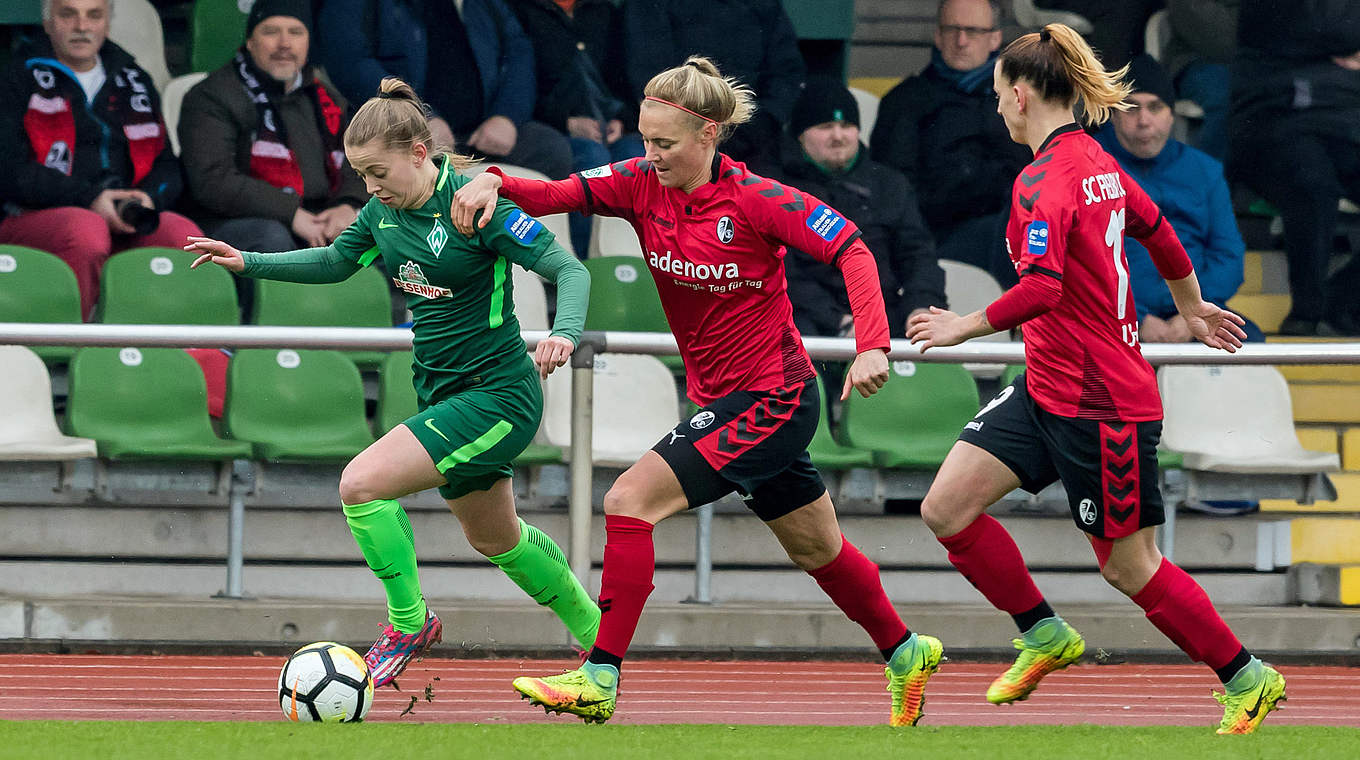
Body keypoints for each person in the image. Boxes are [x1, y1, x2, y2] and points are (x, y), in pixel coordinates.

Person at [452, 56, 943, 727]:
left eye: (664, 143)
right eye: (646, 140)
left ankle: (600, 675)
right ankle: (906, 650)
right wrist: (495, 179)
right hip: (727, 401)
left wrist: (872, 345)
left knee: (628, 500)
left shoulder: (758, 199)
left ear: (710, 135)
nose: (649, 155)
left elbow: (853, 247)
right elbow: (558, 192)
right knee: (816, 549)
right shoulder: (635, 182)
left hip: (775, 398)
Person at [906, 24, 1286, 736]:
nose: (996, 110)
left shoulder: (1044, 179)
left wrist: (962, 326)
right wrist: (1188, 303)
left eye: (997, 97)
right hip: (1048, 386)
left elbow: (1043, 287)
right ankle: (1044, 634)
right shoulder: (1099, 161)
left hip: (1102, 400)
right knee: (946, 509)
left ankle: (1247, 676)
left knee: (1129, 568)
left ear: (1019, 95)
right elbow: (1158, 229)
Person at [186, 78, 599, 689]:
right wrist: (250, 260)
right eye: (360, 174)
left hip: (498, 395)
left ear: (418, 150)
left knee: (360, 484)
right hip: (445, 393)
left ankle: (408, 622)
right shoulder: (382, 213)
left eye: (377, 171)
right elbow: (333, 261)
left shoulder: (475, 204)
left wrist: (562, 332)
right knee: (499, 541)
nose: (370, 186)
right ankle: (604, 639)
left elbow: (569, 269)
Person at [0, 0, 201, 319]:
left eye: (94, 15)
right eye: (68, 14)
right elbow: (9, 172)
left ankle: (176, 355)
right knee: (85, 230)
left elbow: (167, 165)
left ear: (107, 24)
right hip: (35, 216)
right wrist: (90, 198)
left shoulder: (134, 79)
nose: (82, 26)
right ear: (49, 23)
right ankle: (71, 347)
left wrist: (147, 197)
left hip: (122, 215)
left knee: (184, 235)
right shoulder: (15, 78)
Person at [178, 0, 368, 255]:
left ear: (308, 42)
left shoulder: (326, 97)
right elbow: (213, 180)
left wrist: (348, 205)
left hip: (320, 216)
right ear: (250, 41)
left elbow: (363, 159)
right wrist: (290, 214)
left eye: (296, 32)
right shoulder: (211, 96)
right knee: (272, 239)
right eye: (271, 32)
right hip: (236, 222)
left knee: (388, 234)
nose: (284, 44)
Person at [1095, 54, 1261, 343]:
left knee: (1252, 347)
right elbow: (1081, 260)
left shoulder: (1205, 171)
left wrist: (1194, 312)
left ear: (1172, 114)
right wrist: (1135, 318)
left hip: (1197, 313)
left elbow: (1228, 256)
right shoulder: (1089, 165)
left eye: (1155, 107)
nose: (1144, 120)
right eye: (1131, 108)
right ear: (1113, 114)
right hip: (1111, 318)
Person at [316, 0, 573, 181]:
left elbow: (519, 52)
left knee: (550, 148)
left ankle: (524, 251)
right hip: (402, 132)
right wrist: (420, 117)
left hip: (481, 135)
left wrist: (506, 117)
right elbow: (349, 62)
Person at [870, 0, 1031, 288]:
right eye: (952, 29)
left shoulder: (1019, 102)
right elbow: (895, 193)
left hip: (1007, 233)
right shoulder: (904, 102)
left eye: (973, 31)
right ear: (937, 35)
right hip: (935, 239)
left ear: (995, 38)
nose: (961, 41)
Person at [1228, 0, 1360, 336]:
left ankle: (1342, 299)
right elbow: (1329, 28)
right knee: (1312, 184)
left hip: (1341, 119)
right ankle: (1306, 313)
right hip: (1272, 119)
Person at [505, 0, 644, 254]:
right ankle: (580, 265)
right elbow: (521, 89)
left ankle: (631, 264)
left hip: (609, 128)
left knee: (635, 160)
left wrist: (621, 120)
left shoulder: (602, 11)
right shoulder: (520, 11)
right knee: (593, 160)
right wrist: (566, 122)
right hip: (551, 129)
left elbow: (625, 79)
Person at [621, 0, 804, 167]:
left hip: (755, 140)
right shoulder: (648, 7)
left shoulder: (764, 6)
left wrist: (759, 124)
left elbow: (786, 72)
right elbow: (647, 71)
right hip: (676, 134)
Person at [1161, 0, 1238, 162]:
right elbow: (1219, 40)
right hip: (1200, 60)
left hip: (1253, 61)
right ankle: (1209, 181)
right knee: (1230, 95)